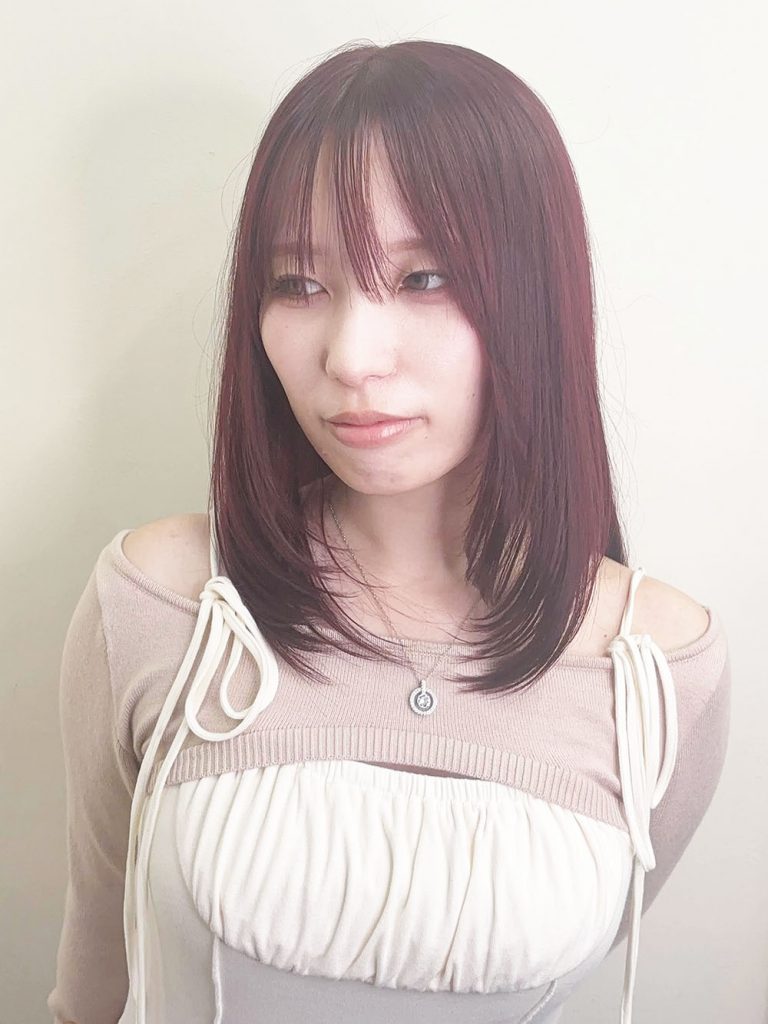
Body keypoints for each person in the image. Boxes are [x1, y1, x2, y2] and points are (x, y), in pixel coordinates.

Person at [47, 39, 731, 1024]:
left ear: (536, 297)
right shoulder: (160, 604)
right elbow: (93, 979)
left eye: (424, 279)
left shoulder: (660, 670)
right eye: (298, 284)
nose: (352, 357)